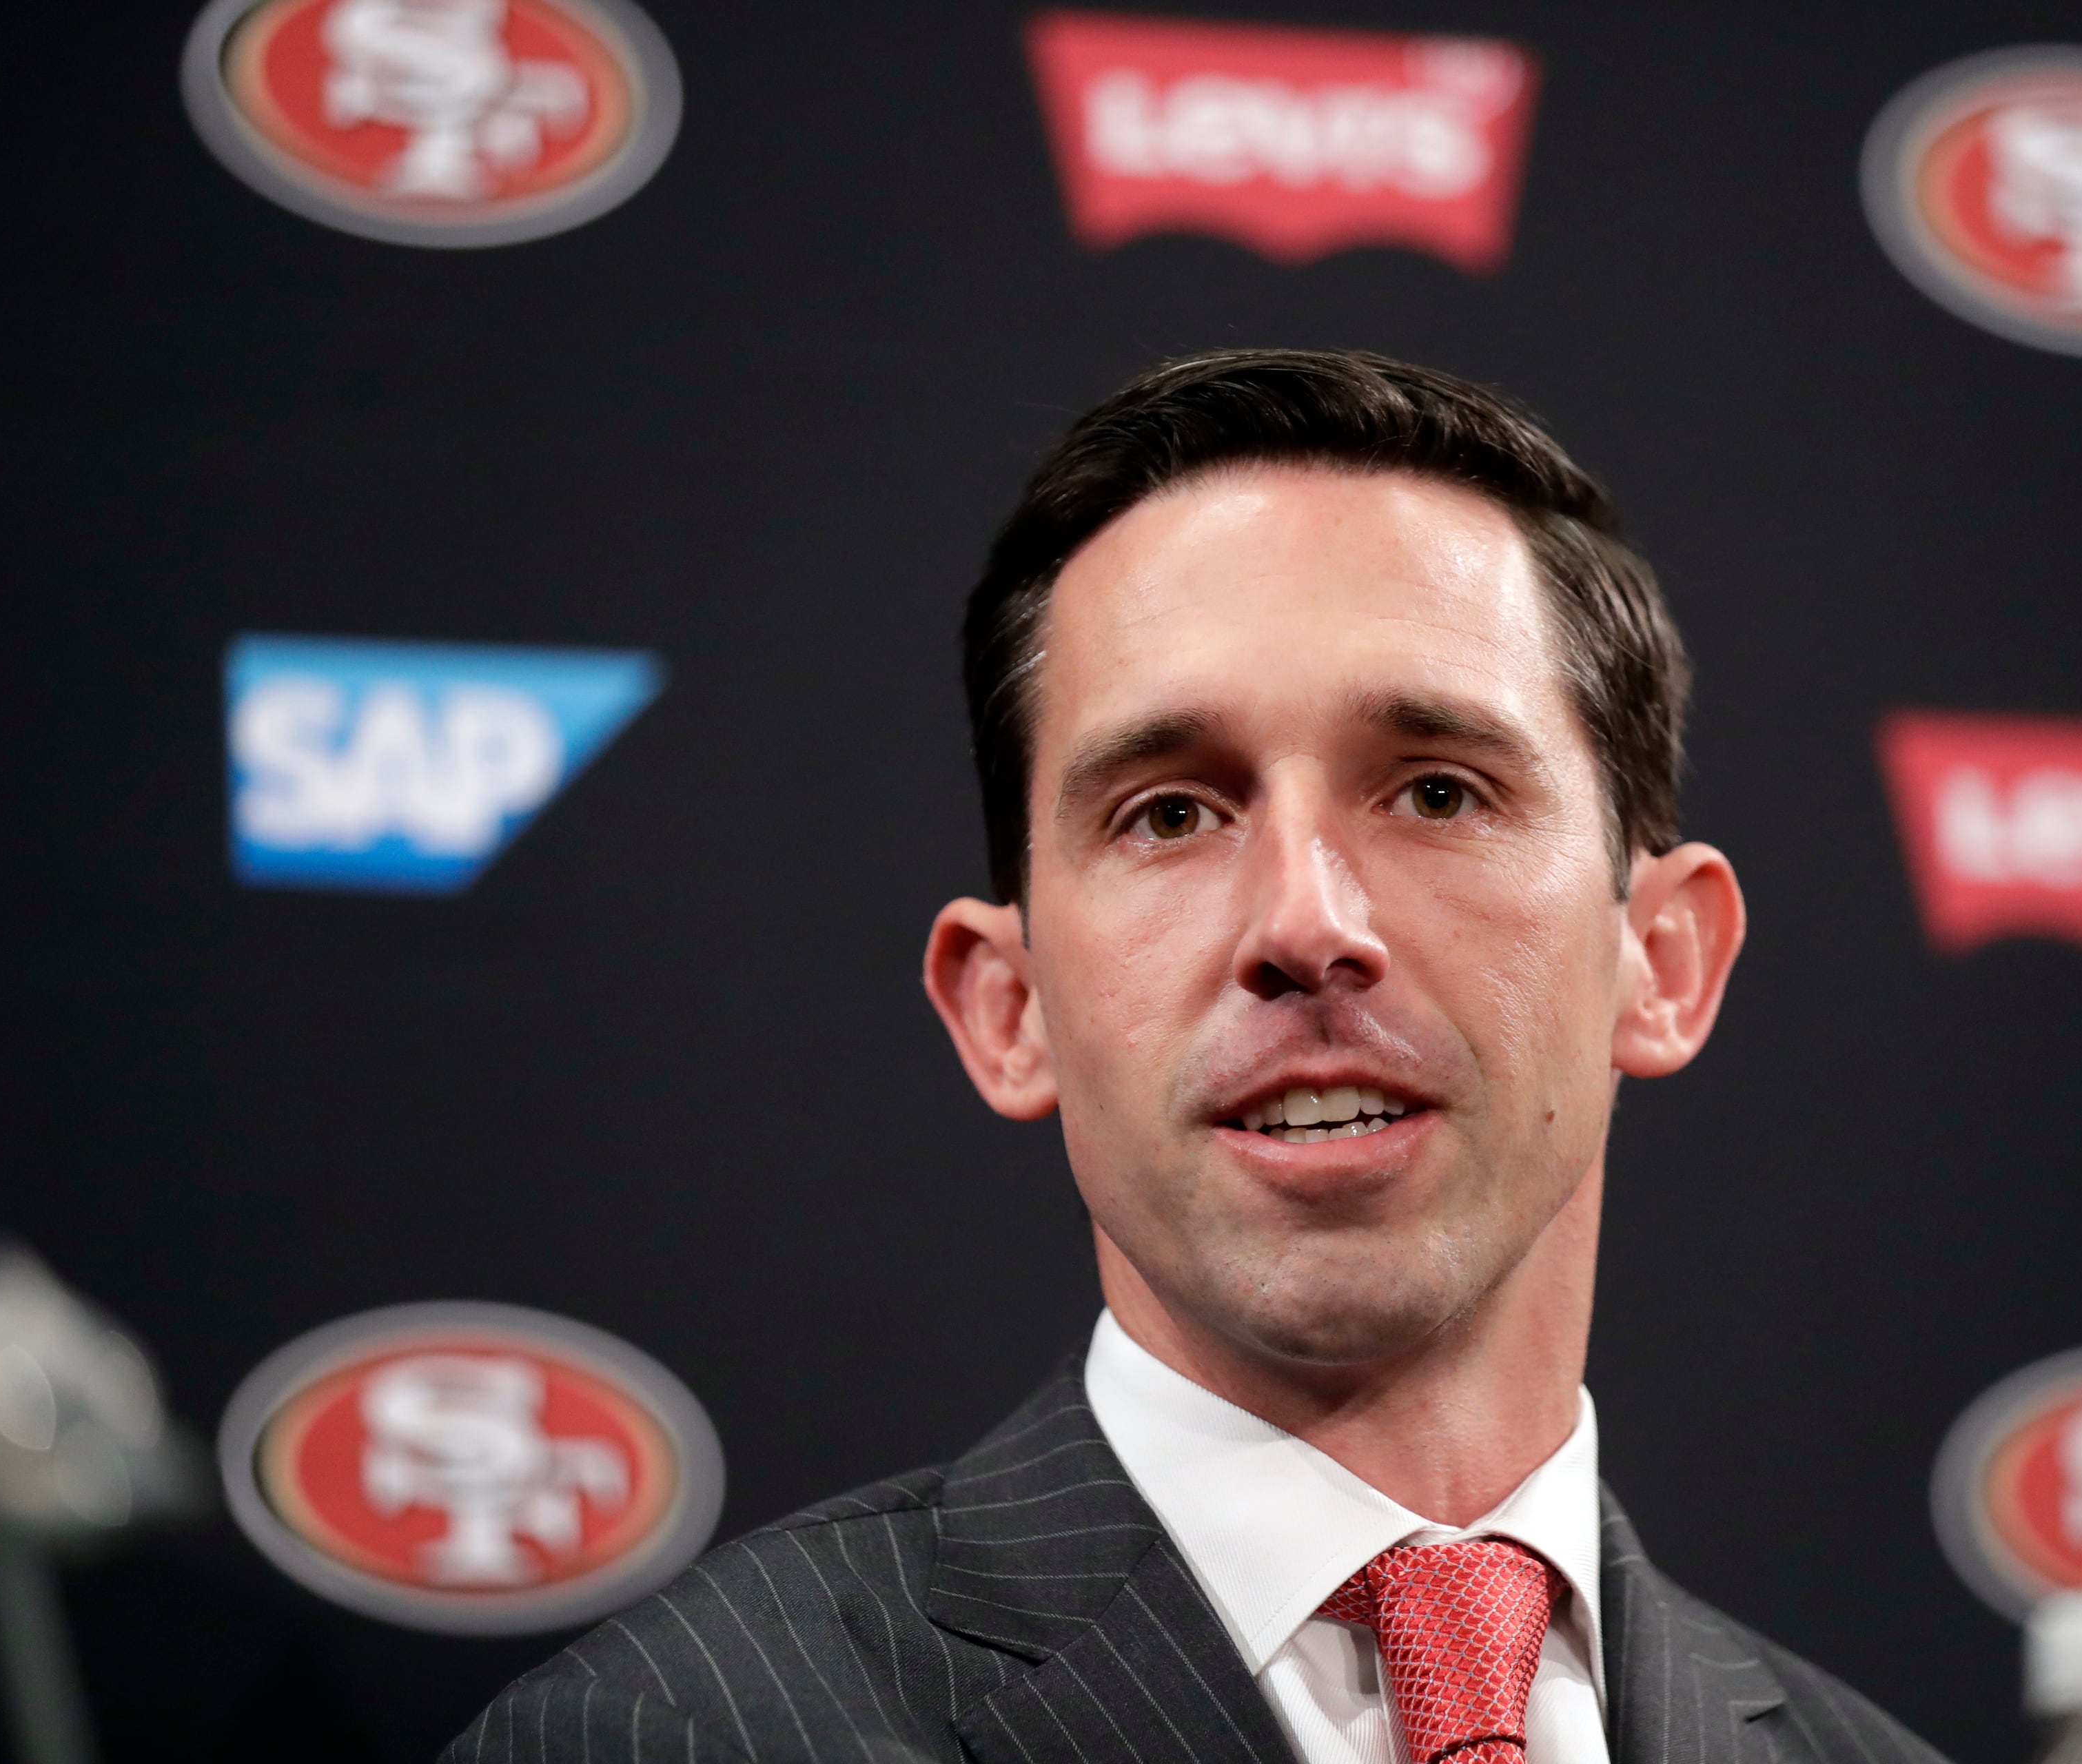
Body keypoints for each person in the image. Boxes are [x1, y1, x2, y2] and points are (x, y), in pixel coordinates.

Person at [445, 350, 1946, 1764]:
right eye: (1170, 812)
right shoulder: (658, 1733)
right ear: (1009, 1006)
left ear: (1662, 961)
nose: (1306, 922)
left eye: (1436, 791)